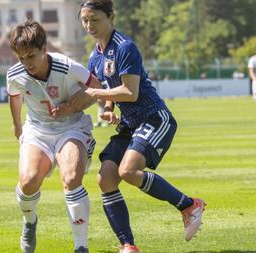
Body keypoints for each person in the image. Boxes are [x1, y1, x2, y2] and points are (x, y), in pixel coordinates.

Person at [78, 1, 206, 252]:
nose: (89, 25)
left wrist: (95, 93)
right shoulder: (95, 56)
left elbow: (130, 91)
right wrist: (107, 110)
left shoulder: (125, 47)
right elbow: (109, 96)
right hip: (130, 124)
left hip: (154, 118)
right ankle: (128, 245)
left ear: (110, 17)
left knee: (128, 171)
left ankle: (189, 204)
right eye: (85, 20)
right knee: (105, 178)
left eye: (95, 19)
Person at [6, 20, 102, 253]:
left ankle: (81, 246)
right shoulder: (15, 74)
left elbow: (97, 87)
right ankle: (29, 223)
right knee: (28, 181)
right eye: (21, 58)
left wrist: (73, 106)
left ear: (44, 49)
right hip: (38, 130)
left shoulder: (67, 66)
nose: (26, 64)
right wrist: (17, 125)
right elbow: (14, 95)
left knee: (70, 178)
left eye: (31, 56)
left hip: (72, 126)